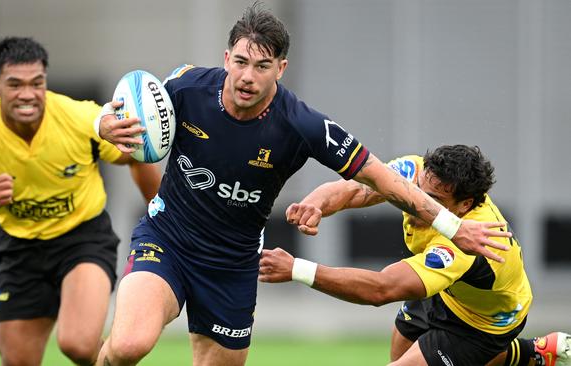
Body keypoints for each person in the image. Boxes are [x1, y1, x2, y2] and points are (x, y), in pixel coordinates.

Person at [94, 4, 512, 366]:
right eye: (240, 61)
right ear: (226, 58)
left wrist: (455, 229)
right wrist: (105, 125)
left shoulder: (302, 124)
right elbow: (118, 116)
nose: (247, 77)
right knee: (129, 344)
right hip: (168, 239)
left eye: (261, 66)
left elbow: (383, 180)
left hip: (232, 263)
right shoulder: (184, 88)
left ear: (281, 68)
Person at [0, 37, 161, 366]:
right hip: (20, 249)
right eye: (15, 84)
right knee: (18, 361)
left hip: (82, 239)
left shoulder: (77, 118)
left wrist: (160, 214)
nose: (28, 94)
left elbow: (135, 155)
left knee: (77, 344)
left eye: (37, 83)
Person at [259, 144, 571, 366]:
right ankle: (534, 354)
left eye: (433, 200)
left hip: (482, 323)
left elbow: (383, 289)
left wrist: (297, 269)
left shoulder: (470, 240)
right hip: (444, 290)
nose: (417, 203)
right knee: (397, 355)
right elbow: (357, 188)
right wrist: (316, 203)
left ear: (465, 204)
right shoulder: (416, 172)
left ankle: (526, 354)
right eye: (418, 191)